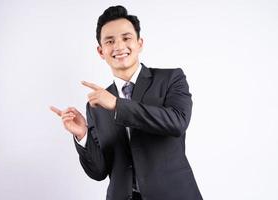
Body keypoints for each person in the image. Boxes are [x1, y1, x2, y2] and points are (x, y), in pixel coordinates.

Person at [50, 5, 203, 200]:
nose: (119, 46)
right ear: (100, 51)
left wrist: (117, 105)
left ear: (140, 43)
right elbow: (99, 172)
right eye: (110, 41)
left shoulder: (171, 78)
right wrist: (83, 136)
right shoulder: (96, 104)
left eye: (126, 38)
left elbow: (177, 122)